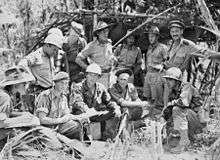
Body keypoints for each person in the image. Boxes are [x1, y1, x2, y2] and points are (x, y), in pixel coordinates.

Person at [70, 63, 121, 140]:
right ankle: (86, 139)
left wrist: (115, 107)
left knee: (115, 113)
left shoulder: (101, 87)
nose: (92, 78)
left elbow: (109, 101)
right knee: (84, 117)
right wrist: (87, 110)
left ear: (98, 77)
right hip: (82, 114)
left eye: (95, 75)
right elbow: (78, 102)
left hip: (95, 113)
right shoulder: (78, 87)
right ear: (86, 75)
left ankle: (108, 137)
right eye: (90, 75)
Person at [162, 67, 203, 153]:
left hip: (196, 118)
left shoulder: (186, 87)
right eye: (167, 79)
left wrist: (170, 103)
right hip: (187, 117)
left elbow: (183, 103)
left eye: (170, 79)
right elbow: (169, 110)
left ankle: (183, 143)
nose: (167, 82)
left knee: (177, 109)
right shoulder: (173, 91)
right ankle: (176, 138)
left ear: (177, 80)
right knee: (168, 113)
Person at [35, 72, 83, 140]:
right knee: (58, 144)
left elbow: (66, 114)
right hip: (44, 129)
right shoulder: (45, 96)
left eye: (66, 83)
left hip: (58, 127)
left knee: (78, 125)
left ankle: (79, 147)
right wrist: (60, 120)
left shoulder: (63, 97)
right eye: (62, 83)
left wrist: (76, 117)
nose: (64, 86)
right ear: (55, 83)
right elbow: (42, 120)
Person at [0, 66, 37, 141]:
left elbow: (7, 112)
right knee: (26, 133)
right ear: (15, 85)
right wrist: (22, 119)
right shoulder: (5, 97)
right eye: (24, 84)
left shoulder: (7, 94)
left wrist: (22, 114)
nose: (26, 86)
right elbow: (1, 122)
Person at [75, 21, 116, 88]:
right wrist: (90, 69)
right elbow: (78, 59)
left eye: (107, 31)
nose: (106, 34)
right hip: (98, 77)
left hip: (110, 76)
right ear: (98, 33)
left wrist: (113, 59)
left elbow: (109, 56)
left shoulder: (109, 43)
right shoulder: (91, 46)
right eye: (103, 32)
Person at [143, 26, 168, 109]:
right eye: (149, 36)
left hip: (157, 74)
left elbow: (167, 61)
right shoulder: (149, 48)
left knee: (157, 97)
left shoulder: (162, 48)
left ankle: (158, 114)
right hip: (149, 73)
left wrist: (161, 66)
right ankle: (149, 113)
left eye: (152, 36)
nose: (150, 38)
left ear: (157, 37)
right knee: (147, 95)